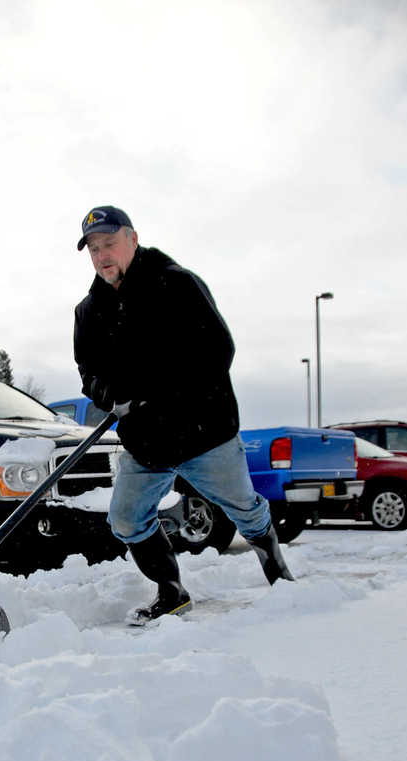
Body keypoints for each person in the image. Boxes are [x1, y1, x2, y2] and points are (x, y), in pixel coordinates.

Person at [73, 205, 294, 625]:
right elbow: (89, 372)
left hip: (203, 431)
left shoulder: (175, 283)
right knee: (126, 518)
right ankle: (171, 592)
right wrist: (110, 393)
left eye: (110, 243)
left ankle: (280, 576)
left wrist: (153, 390)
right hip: (146, 442)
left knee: (244, 508)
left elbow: (217, 350)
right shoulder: (88, 312)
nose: (102, 254)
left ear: (132, 239)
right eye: (94, 248)